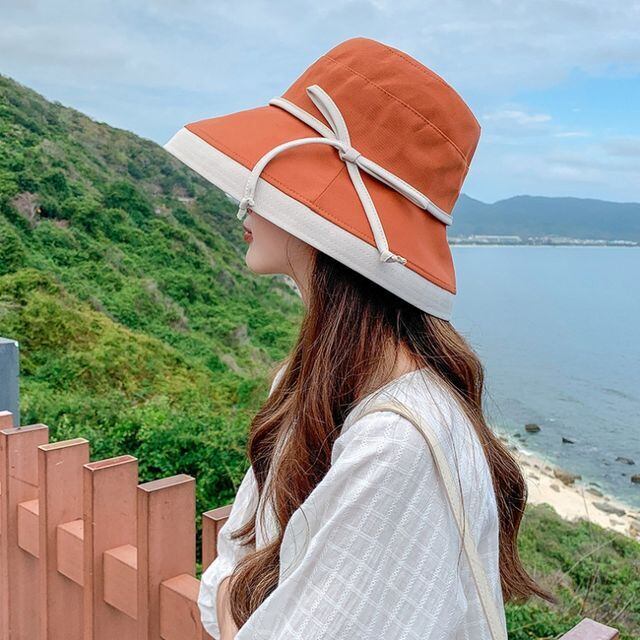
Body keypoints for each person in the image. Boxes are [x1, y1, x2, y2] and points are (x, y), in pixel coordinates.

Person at [164, 36, 556, 640]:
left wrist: (236, 597)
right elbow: (241, 575)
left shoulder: (397, 444)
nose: (245, 199)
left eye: (273, 176)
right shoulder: (318, 379)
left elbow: (241, 591)